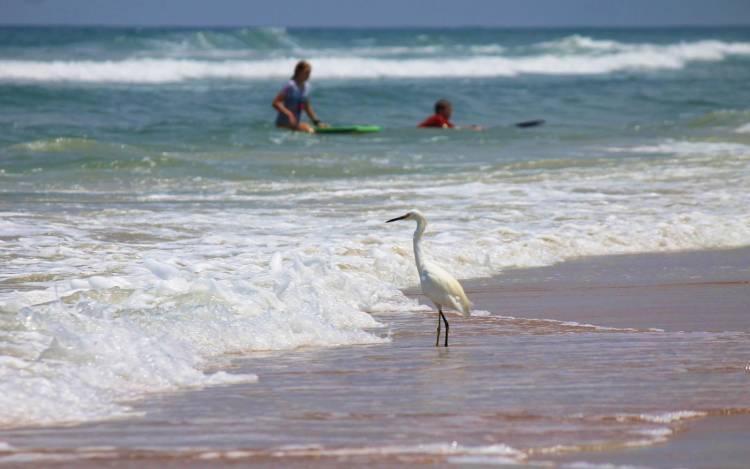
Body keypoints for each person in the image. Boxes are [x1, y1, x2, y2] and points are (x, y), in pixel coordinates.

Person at [272, 60, 326, 133]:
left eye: (309, 73)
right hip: (283, 124)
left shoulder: (306, 87)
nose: (308, 75)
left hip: (295, 124)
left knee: (315, 129)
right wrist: (289, 114)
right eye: (306, 72)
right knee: (310, 130)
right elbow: (276, 103)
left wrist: (316, 121)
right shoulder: (290, 86)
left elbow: (306, 106)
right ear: (298, 72)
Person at [418, 99, 482, 130]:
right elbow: (448, 128)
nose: (451, 112)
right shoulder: (438, 118)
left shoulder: (441, 119)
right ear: (441, 111)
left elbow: (452, 127)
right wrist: (470, 128)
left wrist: (471, 127)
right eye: (449, 110)